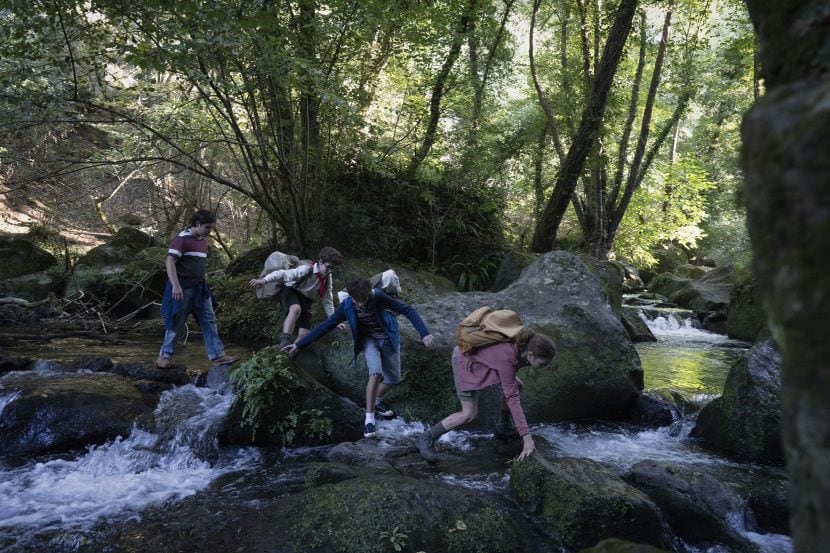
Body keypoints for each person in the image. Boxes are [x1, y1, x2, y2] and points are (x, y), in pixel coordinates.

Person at [282, 277, 435, 438]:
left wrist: (424, 333)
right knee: (375, 373)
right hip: (369, 340)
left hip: (388, 337)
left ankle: (375, 400)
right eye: (358, 301)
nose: (361, 304)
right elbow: (327, 325)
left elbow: (407, 310)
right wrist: (299, 345)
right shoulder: (347, 305)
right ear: (351, 296)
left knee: (393, 379)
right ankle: (369, 420)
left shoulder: (377, 296)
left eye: (364, 300)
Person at [415, 328, 556, 464]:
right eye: (542, 364)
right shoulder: (509, 356)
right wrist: (527, 438)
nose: (544, 367)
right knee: (468, 414)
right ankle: (426, 437)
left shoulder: (522, 348)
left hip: (485, 363)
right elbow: (512, 398)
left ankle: (503, 427)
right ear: (530, 355)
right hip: (464, 359)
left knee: (517, 385)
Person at [156, 209, 239, 369]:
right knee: (177, 321)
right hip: (182, 288)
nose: (210, 231)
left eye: (211, 227)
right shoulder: (182, 239)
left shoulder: (202, 241)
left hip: (200, 289)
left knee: (209, 320)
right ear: (198, 223)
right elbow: (170, 261)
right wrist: (176, 286)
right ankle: (164, 356)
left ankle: (218, 355)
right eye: (208, 227)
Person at [248, 246, 344, 348]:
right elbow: (283, 274)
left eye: (332, 268)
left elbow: (327, 300)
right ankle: (284, 341)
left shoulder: (327, 278)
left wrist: (334, 320)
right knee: (295, 309)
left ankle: (290, 352)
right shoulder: (307, 269)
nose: (330, 271)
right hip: (292, 291)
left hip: (306, 300)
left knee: (304, 333)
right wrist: (264, 280)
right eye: (328, 267)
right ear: (320, 262)